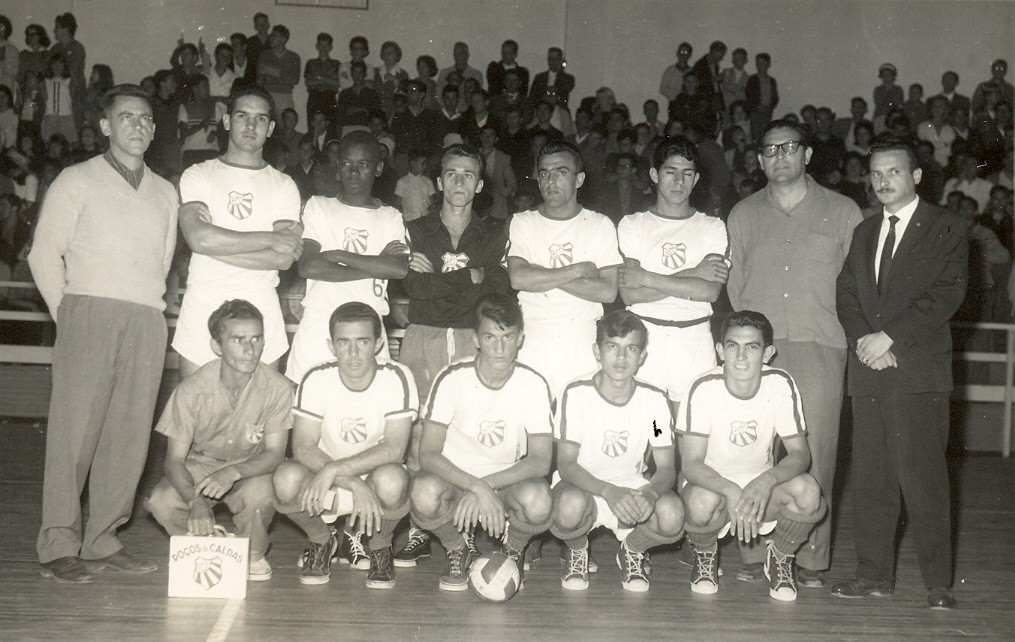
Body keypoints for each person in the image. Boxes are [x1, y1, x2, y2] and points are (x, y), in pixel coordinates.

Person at [29, 84, 178, 583]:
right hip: (88, 313)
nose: (138, 125)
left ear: (154, 131)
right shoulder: (76, 179)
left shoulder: (165, 191)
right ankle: (57, 544)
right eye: (127, 117)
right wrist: (67, 313)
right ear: (106, 126)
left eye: (146, 118)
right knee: (75, 434)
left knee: (129, 437)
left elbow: (161, 262)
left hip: (145, 318)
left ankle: (103, 539)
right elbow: (41, 254)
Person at [726, 119, 862, 586]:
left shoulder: (844, 212)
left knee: (817, 453)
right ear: (759, 159)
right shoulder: (742, 215)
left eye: (789, 147)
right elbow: (735, 286)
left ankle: (806, 560)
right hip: (756, 350)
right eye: (769, 149)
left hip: (821, 344)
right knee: (753, 450)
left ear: (807, 155)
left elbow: (858, 285)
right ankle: (751, 552)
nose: (779, 155)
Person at [833, 139, 968, 609]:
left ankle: (938, 584)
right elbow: (847, 292)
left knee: (924, 477)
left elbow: (947, 293)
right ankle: (872, 574)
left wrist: (888, 337)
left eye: (893, 171)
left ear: (916, 176)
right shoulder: (865, 231)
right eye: (875, 173)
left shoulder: (947, 227)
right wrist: (865, 343)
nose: (882, 180)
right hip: (870, 369)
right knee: (871, 477)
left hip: (918, 371)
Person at [394, 144, 510, 566]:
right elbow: (413, 288)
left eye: (468, 175)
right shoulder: (415, 228)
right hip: (423, 336)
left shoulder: (493, 232)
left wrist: (442, 278)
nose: (459, 182)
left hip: (469, 338)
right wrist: (469, 276)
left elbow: (498, 286)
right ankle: (417, 529)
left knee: (464, 435)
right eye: (452, 174)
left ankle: (463, 527)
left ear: (479, 185)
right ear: (439, 182)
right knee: (418, 433)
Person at [679, 310, 826, 602]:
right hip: (714, 487)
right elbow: (691, 464)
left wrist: (767, 480)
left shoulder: (781, 383)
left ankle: (780, 557)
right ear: (720, 351)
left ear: (768, 353)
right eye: (733, 346)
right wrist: (730, 489)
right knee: (698, 502)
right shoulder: (702, 387)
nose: (741, 357)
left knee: (809, 491)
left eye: (752, 347)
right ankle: (705, 557)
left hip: (761, 486)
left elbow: (800, 455)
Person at [410, 293, 554, 590]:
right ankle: (457, 548)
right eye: (490, 337)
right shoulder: (451, 377)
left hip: (505, 480)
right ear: (476, 339)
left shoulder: (534, 383)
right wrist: (475, 486)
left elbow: (541, 460)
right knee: (423, 492)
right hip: (456, 478)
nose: (499, 348)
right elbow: (428, 454)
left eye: (507, 337)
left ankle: (512, 551)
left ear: (520, 338)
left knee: (539, 501)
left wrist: (486, 485)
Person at [145, 300, 292, 581]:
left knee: (261, 495)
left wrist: (233, 472)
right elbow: (174, 460)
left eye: (257, 339)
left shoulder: (278, 388)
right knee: (161, 500)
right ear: (217, 346)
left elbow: (274, 454)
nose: (251, 350)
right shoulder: (191, 390)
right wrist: (194, 501)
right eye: (238, 340)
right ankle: (208, 542)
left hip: (250, 469)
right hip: (201, 466)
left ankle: (252, 554)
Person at [274, 302, 417, 587]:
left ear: (378, 344)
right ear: (331, 345)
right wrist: (352, 482)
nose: (353, 354)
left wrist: (338, 471)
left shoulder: (397, 376)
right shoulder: (315, 377)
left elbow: (394, 449)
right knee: (286, 478)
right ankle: (321, 540)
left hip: (371, 478)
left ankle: (380, 547)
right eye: (344, 343)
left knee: (392, 479)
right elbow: (302, 447)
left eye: (362, 342)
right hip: (327, 478)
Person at [174, 86, 303, 380]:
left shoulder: (283, 185)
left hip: (261, 303)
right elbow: (198, 238)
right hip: (204, 301)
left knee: (256, 419)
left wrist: (214, 243)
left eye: (260, 119)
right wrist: (269, 238)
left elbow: (283, 259)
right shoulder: (198, 174)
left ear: (270, 128)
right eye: (243, 116)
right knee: (199, 415)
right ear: (228, 121)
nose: (250, 125)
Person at [551, 310, 684, 592]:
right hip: (583, 484)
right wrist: (608, 491)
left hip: (631, 486)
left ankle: (633, 550)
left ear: (642, 356)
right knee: (568, 508)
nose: (621, 358)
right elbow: (566, 464)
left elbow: (666, 467)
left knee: (672, 516)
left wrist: (649, 492)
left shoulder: (653, 400)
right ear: (597, 352)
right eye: (612, 347)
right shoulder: (576, 393)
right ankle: (577, 550)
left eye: (631, 349)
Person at [286, 130, 409, 383]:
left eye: (363, 164)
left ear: (378, 168)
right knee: (307, 414)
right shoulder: (318, 206)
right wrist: (376, 265)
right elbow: (308, 266)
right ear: (337, 167)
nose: (353, 171)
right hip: (320, 327)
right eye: (346, 163)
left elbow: (398, 269)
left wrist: (338, 255)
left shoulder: (390, 216)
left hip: (370, 331)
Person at [618, 136, 728, 414]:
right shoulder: (633, 224)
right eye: (670, 172)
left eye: (687, 174)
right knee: (651, 430)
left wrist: (647, 278)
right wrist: (693, 273)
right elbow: (630, 292)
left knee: (690, 433)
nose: (679, 182)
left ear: (697, 178)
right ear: (655, 174)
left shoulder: (712, 226)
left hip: (694, 339)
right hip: (646, 338)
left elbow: (710, 292)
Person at [507, 140, 622, 397]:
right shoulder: (523, 221)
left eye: (561, 172)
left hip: (582, 339)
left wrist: (540, 272)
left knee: (576, 432)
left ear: (579, 179)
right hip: (532, 337)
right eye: (544, 173)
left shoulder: (599, 224)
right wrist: (577, 270)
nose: (551, 180)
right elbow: (517, 278)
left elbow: (607, 292)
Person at [257, 25, 300, 114]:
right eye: (270, 36)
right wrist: (282, 76)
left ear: (283, 39)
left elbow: (294, 80)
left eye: (274, 36)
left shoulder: (294, 57)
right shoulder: (264, 55)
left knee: (284, 125)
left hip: (285, 96)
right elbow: (260, 79)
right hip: (267, 95)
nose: (270, 39)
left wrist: (271, 71)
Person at [304, 32, 341, 125]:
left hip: (329, 97)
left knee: (330, 125)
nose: (323, 48)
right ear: (316, 46)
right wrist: (327, 80)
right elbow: (308, 82)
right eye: (321, 45)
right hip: (314, 97)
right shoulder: (311, 63)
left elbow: (337, 83)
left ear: (331, 47)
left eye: (326, 46)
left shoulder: (336, 64)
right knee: (313, 126)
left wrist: (319, 78)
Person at [394, 148, 436, 222]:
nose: (425, 166)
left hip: (425, 218)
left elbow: (432, 202)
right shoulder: (402, 182)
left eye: (426, 163)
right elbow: (398, 203)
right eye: (422, 163)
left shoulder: (427, 181)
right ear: (413, 163)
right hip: (409, 219)